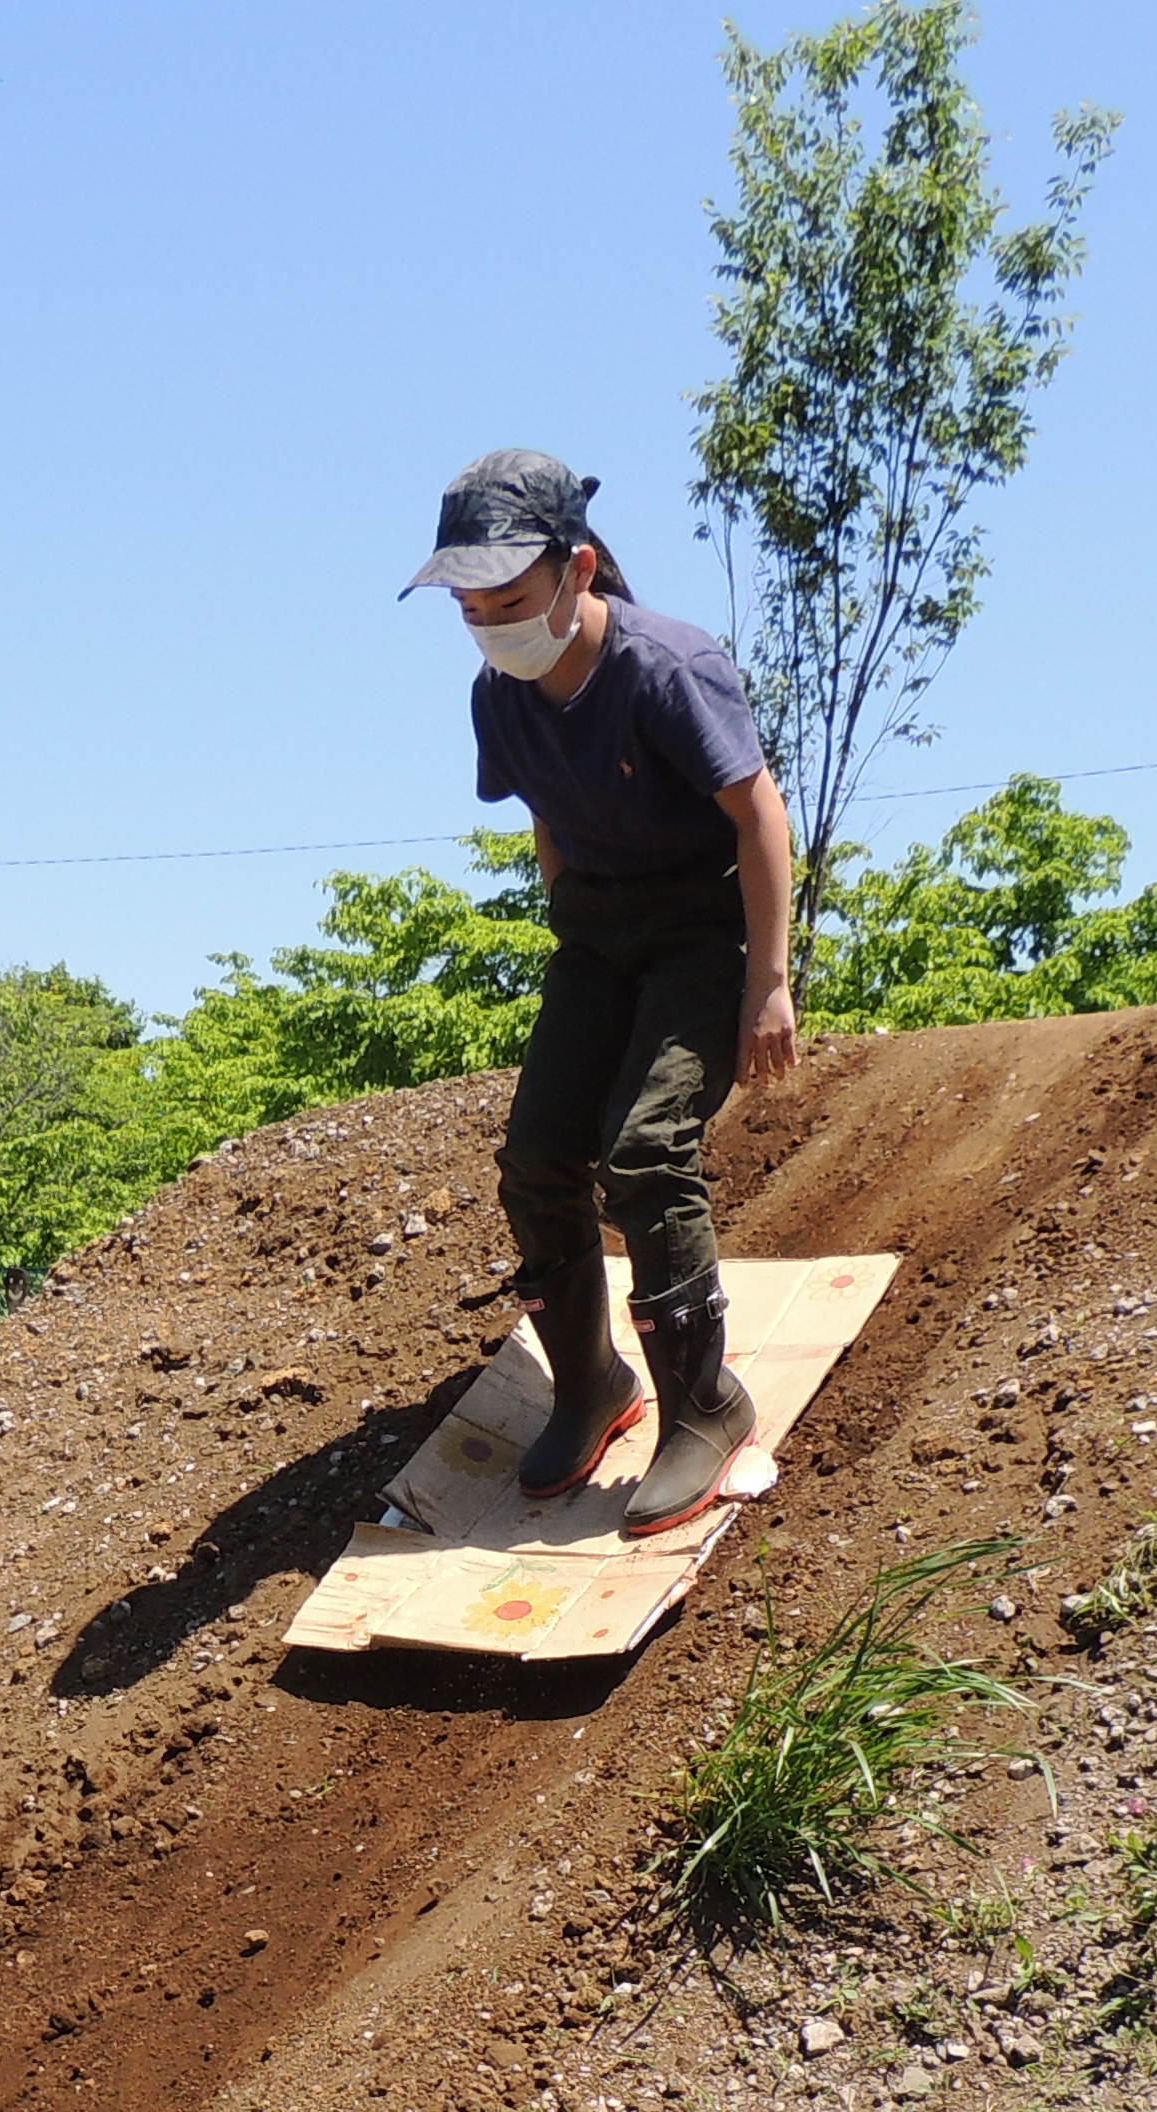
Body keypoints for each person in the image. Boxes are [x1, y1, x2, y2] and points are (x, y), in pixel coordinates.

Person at [403, 447, 801, 1534]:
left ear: (578, 570)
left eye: (511, 599)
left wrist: (768, 982)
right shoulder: (501, 696)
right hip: (596, 938)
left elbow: (760, 816)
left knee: (643, 1151)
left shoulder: (669, 668)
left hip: (698, 936)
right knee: (536, 1157)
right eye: (472, 606)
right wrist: (578, 936)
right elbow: (548, 816)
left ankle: (706, 1408)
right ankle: (593, 1385)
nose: (491, 622)